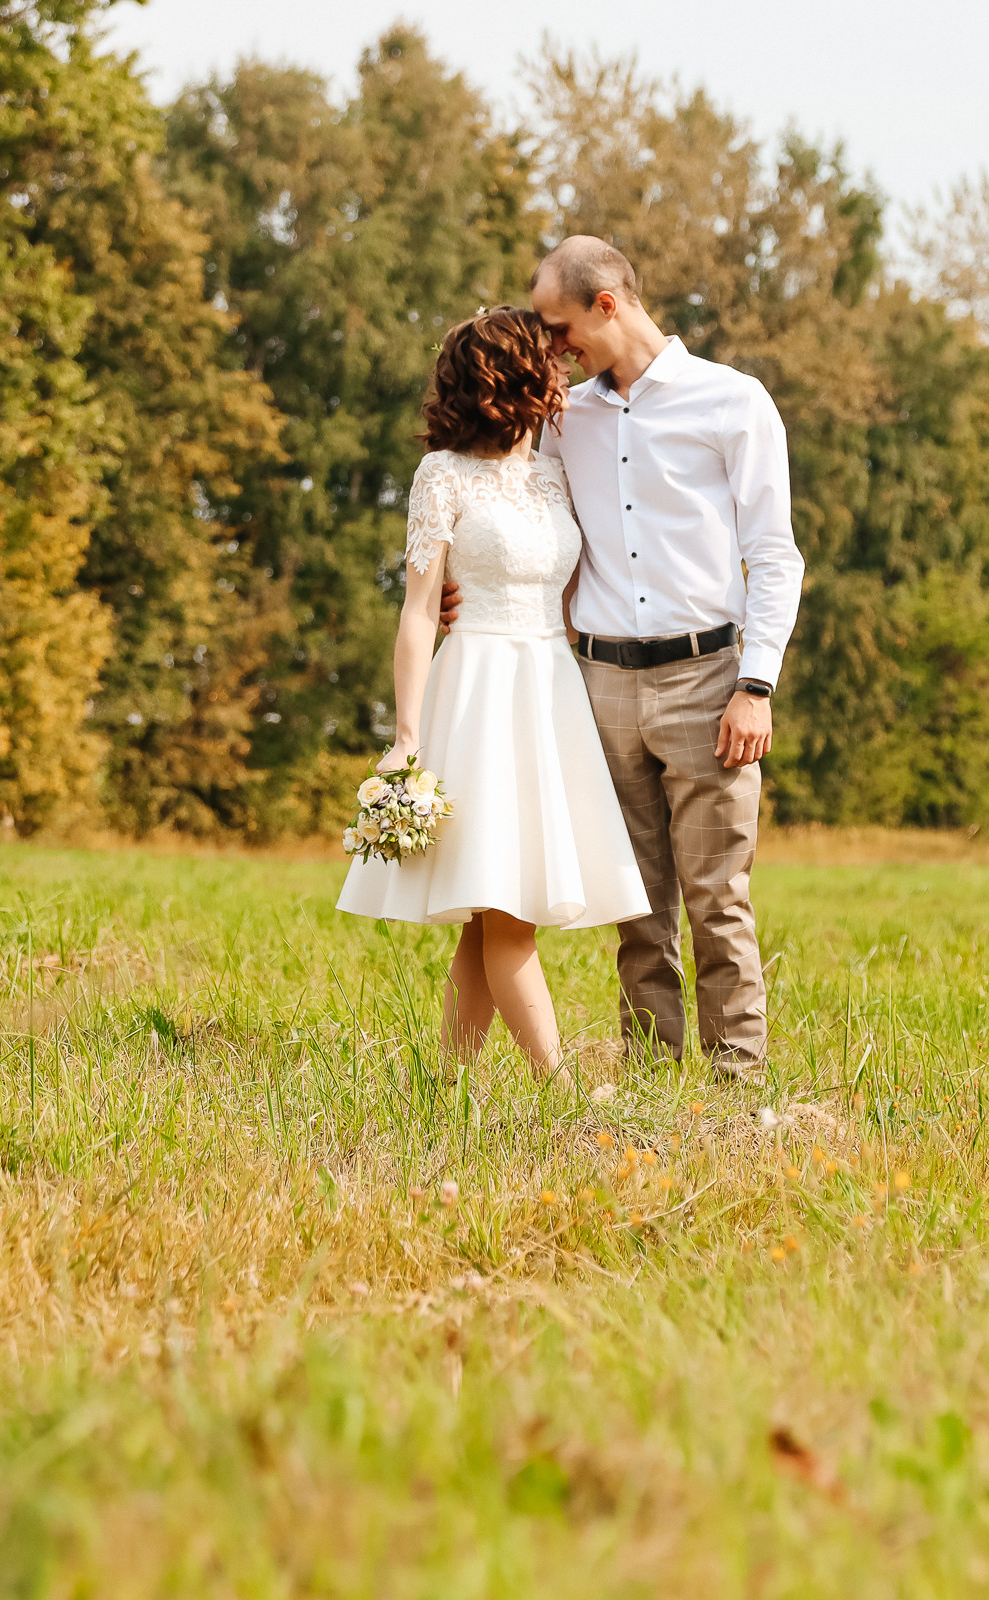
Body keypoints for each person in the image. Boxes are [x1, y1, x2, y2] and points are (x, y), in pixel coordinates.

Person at [337, 308, 649, 1087]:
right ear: (512, 376)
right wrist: (407, 734)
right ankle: (566, 1094)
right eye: (551, 361)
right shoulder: (440, 475)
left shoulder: (554, 472)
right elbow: (416, 611)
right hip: (477, 692)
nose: (565, 369)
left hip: (548, 693)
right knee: (508, 915)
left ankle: (440, 1093)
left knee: (487, 914)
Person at [521, 235, 804, 1082]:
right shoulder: (563, 417)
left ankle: (733, 1088)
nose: (550, 346)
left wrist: (756, 685)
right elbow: (533, 527)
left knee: (719, 900)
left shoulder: (733, 401)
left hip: (710, 679)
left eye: (558, 325)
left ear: (608, 303)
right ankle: (649, 1081)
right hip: (602, 683)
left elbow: (775, 553)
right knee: (634, 904)